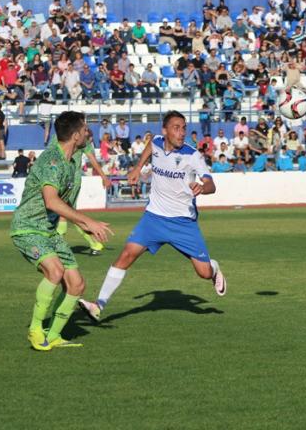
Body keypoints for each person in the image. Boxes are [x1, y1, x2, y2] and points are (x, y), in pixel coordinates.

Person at [78, 110, 226, 323]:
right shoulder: (156, 142)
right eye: (176, 127)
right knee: (126, 255)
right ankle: (98, 305)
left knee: (203, 273)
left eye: (184, 128)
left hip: (183, 222)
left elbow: (211, 183)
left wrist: (203, 188)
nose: (182, 132)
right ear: (164, 131)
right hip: (154, 218)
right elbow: (150, 147)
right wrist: (138, 167)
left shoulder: (192, 155)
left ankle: (214, 268)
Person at [10, 111, 112, 351]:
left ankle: (53, 335)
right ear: (76, 135)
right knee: (55, 272)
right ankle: (35, 330)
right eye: (85, 129)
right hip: (28, 227)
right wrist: (88, 222)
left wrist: (84, 225)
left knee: (77, 285)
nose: (89, 132)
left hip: (49, 231)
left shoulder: (73, 159)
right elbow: (52, 202)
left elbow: (66, 204)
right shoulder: (52, 161)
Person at [55, 129, 112, 256]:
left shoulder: (81, 141)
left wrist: (104, 177)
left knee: (63, 212)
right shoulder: (63, 138)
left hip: (70, 180)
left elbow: (92, 160)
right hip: (64, 179)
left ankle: (58, 247)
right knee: (71, 214)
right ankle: (94, 243)